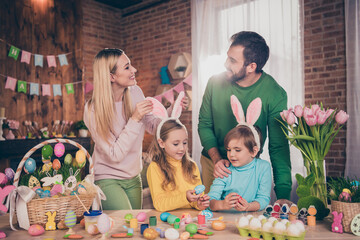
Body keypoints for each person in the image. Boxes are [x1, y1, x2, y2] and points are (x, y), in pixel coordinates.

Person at [198, 31, 292, 202]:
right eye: (228, 57)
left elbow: (278, 147)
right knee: (214, 217)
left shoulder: (275, 93)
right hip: (213, 161)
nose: (226, 63)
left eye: (233, 61)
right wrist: (217, 159)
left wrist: (283, 195)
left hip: (249, 166)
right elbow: (204, 124)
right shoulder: (214, 83)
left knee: (246, 216)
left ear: (251, 66)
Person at [83, 48, 161, 210]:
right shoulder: (92, 109)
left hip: (134, 177)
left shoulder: (136, 92)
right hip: (107, 178)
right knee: (124, 227)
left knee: (133, 228)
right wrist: (135, 118)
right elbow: (114, 154)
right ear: (111, 76)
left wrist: (171, 113)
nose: (134, 70)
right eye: (127, 67)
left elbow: (152, 125)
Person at [147, 96, 210, 211]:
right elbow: (159, 204)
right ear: (161, 143)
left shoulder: (192, 166)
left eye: (185, 143)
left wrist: (199, 203)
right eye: (176, 144)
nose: (182, 148)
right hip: (169, 222)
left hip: (190, 220)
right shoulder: (155, 168)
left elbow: (195, 199)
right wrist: (185, 197)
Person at [208, 125, 271, 211]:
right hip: (224, 219)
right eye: (229, 150)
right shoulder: (225, 169)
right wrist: (222, 204)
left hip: (251, 219)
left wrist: (248, 206)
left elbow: (263, 199)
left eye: (237, 150)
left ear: (253, 151)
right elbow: (210, 201)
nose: (231, 154)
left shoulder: (263, 167)